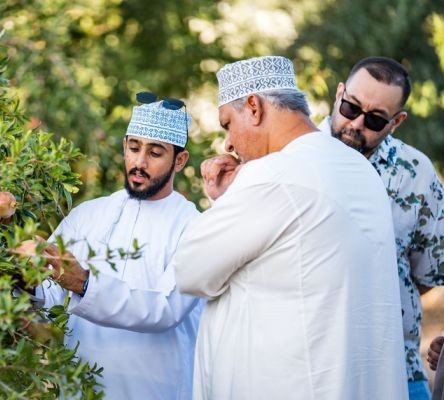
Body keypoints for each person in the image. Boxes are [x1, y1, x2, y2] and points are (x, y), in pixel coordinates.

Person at [172, 55, 407, 399]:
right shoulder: (358, 169)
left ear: (254, 107)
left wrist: (234, 194)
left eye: (227, 124)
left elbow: (189, 270)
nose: (229, 144)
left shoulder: (275, 175)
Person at [34, 93, 203, 399]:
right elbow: (49, 300)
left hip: (157, 390)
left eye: (155, 153)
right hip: (81, 387)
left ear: (179, 160)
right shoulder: (87, 215)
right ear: (124, 145)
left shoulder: (194, 227)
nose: (139, 162)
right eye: (134, 148)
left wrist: (85, 284)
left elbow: (165, 309)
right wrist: (24, 279)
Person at [318, 56, 444, 399]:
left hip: (396, 370)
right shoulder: (293, 155)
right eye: (350, 107)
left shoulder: (417, 174)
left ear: (396, 121)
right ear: (339, 93)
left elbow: (427, 274)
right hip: (311, 370)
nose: (356, 124)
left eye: (374, 119)